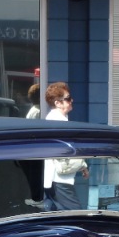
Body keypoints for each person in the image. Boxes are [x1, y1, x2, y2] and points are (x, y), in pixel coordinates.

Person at [42, 82, 87, 210]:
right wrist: (83, 165)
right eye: (68, 98)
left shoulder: (59, 119)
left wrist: (83, 166)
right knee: (76, 215)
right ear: (58, 103)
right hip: (59, 179)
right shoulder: (56, 122)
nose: (71, 100)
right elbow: (66, 149)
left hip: (59, 178)